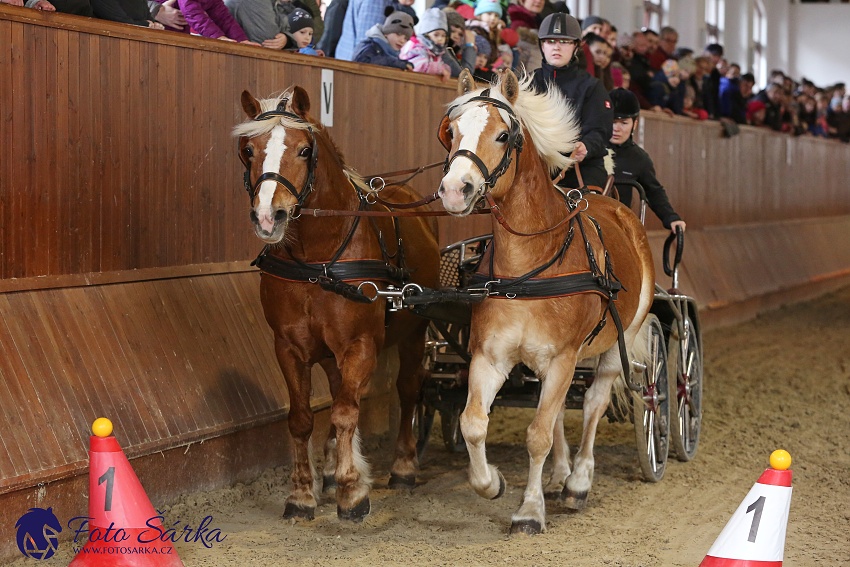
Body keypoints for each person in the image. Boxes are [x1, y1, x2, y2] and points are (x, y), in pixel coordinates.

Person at [530, 12, 613, 190]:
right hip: (536, 165)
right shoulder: (528, 82)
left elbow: (599, 131)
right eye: (550, 41)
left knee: (587, 209)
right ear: (542, 46)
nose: (556, 47)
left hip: (579, 166)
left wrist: (586, 146)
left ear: (576, 46)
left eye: (564, 42)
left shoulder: (592, 86)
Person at [607, 88, 686, 233]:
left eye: (623, 123)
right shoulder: (588, 150)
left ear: (634, 124)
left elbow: (654, 191)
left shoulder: (639, 158)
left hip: (617, 228)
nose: (616, 128)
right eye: (612, 121)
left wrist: (671, 218)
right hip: (585, 223)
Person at [399, 8, 452, 80]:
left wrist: (445, 69)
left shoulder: (435, 51)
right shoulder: (417, 47)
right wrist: (440, 69)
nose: (440, 39)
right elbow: (418, 67)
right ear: (426, 35)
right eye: (436, 35)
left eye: (443, 35)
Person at [224, 0, 295, 49]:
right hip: (247, 61)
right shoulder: (256, 2)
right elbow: (267, 42)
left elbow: (287, 31)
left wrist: (287, 39)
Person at [176, 0, 255, 43]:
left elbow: (223, 17)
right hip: (169, 33)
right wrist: (217, 37)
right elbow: (193, 14)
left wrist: (241, 40)